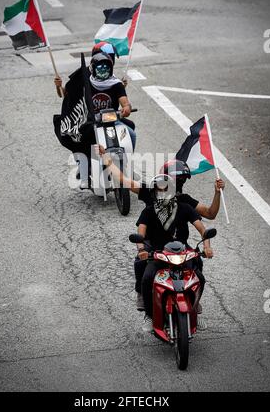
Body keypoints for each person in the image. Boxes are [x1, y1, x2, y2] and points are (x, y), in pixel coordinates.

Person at [97, 147, 224, 312]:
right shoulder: (149, 195)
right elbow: (122, 180)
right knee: (141, 265)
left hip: (180, 249)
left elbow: (210, 214)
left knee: (198, 269)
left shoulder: (184, 202)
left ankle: (194, 300)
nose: (177, 186)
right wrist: (107, 159)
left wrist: (217, 193)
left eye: (181, 181)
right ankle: (142, 296)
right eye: (175, 181)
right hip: (155, 248)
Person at [136, 174, 214, 332]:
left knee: (200, 278)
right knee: (147, 279)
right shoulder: (148, 211)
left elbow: (202, 229)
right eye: (159, 190)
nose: (163, 193)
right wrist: (142, 250)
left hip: (183, 252)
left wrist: (207, 246)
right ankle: (150, 316)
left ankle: (194, 310)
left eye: (166, 189)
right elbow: (140, 234)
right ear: (153, 192)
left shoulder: (185, 208)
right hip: (158, 254)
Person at [53, 49, 136, 189]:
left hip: (111, 120)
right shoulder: (84, 83)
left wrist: (126, 108)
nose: (103, 70)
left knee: (131, 132)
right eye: (100, 67)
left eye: (106, 67)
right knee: (81, 139)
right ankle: (84, 171)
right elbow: (66, 95)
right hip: (90, 122)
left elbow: (124, 101)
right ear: (93, 68)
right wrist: (58, 86)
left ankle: (125, 165)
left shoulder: (116, 84)